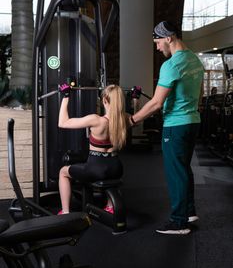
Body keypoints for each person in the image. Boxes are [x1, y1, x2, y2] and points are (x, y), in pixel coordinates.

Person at [130, 21, 204, 235]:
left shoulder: (171, 65)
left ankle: (179, 222)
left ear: (169, 38)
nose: (157, 46)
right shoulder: (194, 60)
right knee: (184, 168)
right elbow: (198, 95)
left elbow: (156, 103)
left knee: (175, 172)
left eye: (158, 41)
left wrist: (131, 120)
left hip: (175, 125)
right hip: (192, 122)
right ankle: (188, 211)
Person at [58, 84, 129, 215]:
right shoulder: (124, 119)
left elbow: (62, 122)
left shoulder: (96, 120)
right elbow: (138, 119)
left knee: (63, 172)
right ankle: (110, 206)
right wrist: (135, 98)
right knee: (110, 177)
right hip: (116, 167)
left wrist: (66, 96)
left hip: (97, 169)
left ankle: (65, 212)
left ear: (105, 101)